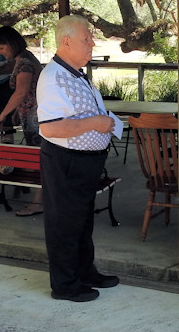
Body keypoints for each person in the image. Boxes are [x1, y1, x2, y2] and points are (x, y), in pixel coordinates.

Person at [36, 15, 119, 302]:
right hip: (66, 160)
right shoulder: (53, 78)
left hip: (83, 161)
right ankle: (65, 285)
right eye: (87, 38)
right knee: (64, 224)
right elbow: (50, 128)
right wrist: (96, 123)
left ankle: (84, 272)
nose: (92, 43)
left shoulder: (73, 73)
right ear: (66, 41)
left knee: (81, 221)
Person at [0, 26, 45, 217]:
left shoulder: (24, 64)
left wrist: (3, 114)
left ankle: (38, 202)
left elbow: (21, 91)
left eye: (1, 48)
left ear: (11, 44)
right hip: (31, 115)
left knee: (40, 160)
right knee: (40, 158)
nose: (0, 52)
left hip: (35, 118)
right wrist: (16, 111)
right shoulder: (26, 58)